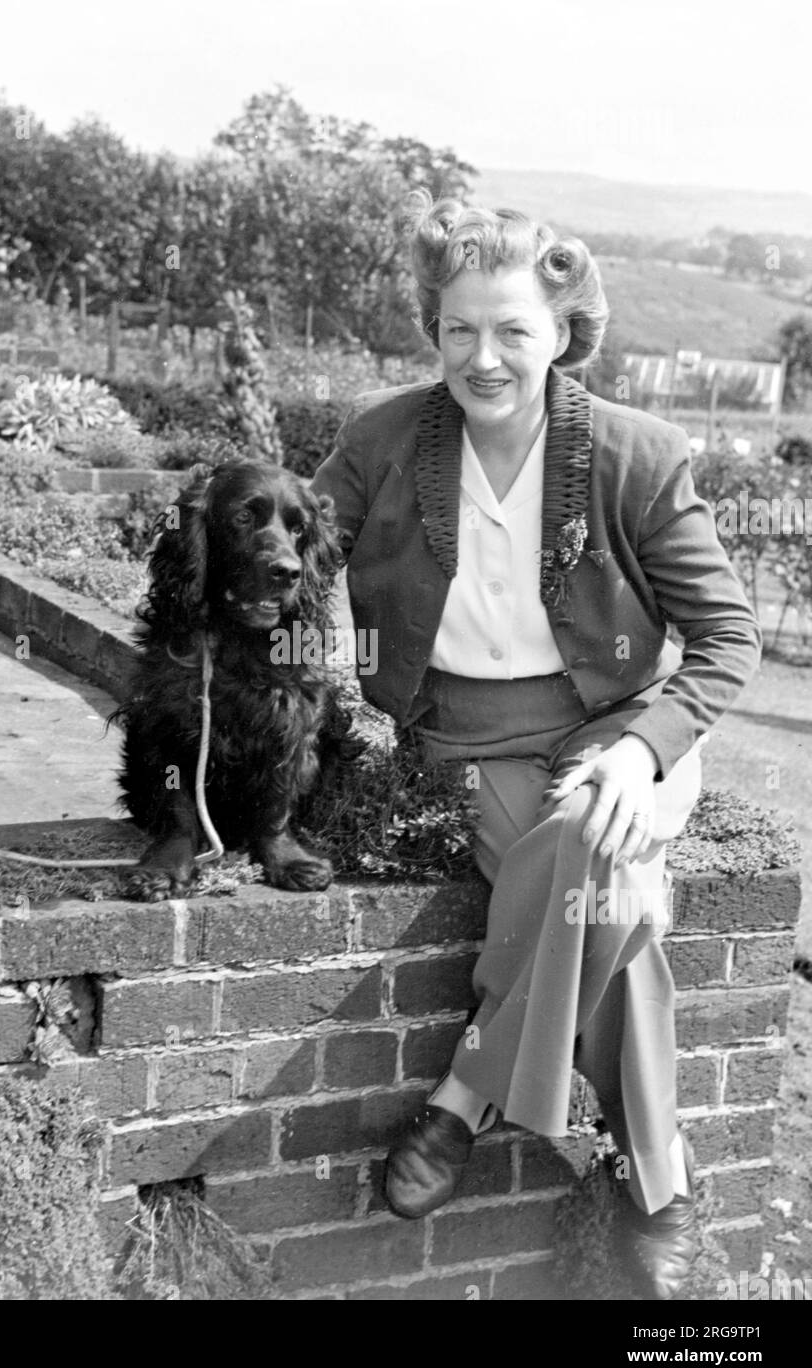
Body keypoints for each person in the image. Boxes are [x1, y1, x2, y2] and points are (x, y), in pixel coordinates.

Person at [310, 193, 762, 1300]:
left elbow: (728, 636)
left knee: (593, 842)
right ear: (433, 333)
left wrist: (648, 749)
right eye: (458, 330)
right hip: (460, 734)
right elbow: (286, 549)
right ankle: (661, 1188)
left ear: (562, 330)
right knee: (613, 896)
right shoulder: (380, 438)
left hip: (607, 727)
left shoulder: (635, 454)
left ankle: (459, 1099)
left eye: (512, 329)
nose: (484, 356)